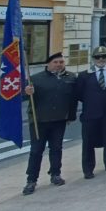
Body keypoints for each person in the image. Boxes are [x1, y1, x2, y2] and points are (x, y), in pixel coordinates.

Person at [22, 52, 77, 195]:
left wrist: (71, 116)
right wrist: (27, 92)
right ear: (48, 64)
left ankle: (55, 174)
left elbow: (73, 99)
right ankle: (31, 180)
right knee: (36, 151)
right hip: (39, 121)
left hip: (59, 120)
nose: (58, 65)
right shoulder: (35, 79)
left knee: (56, 148)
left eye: (61, 62)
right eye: (55, 62)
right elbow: (22, 97)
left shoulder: (71, 77)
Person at [76, 46, 106, 179]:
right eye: (97, 57)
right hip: (91, 114)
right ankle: (88, 169)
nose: (101, 59)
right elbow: (79, 94)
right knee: (88, 143)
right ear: (93, 59)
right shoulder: (84, 75)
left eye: (104, 56)